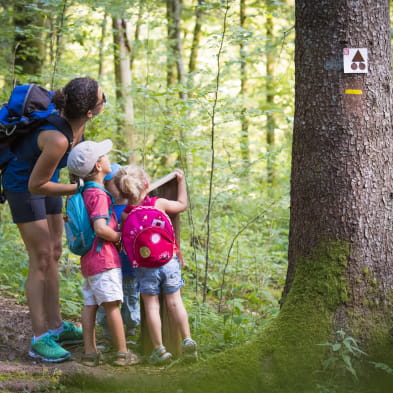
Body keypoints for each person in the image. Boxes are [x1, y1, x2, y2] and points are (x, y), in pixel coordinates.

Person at [1, 77, 105, 363]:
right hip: (24, 185)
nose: (103, 100)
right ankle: (38, 338)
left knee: (55, 253)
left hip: (48, 180)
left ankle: (56, 325)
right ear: (89, 111)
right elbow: (36, 185)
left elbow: (64, 169)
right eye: (101, 97)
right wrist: (78, 189)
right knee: (41, 256)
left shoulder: (78, 128)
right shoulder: (57, 137)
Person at [114, 164, 198, 365]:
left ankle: (159, 350)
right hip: (168, 260)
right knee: (175, 301)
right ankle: (187, 339)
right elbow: (182, 204)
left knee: (151, 306)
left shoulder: (125, 214)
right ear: (147, 184)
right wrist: (181, 181)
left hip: (145, 267)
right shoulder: (159, 203)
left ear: (124, 191)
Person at [67, 140, 138, 367]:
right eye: (105, 156)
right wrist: (120, 238)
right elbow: (99, 227)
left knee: (90, 304)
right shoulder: (99, 195)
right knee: (112, 305)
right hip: (104, 259)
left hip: (89, 259)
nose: (108, 158)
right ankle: (122, 353)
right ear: (98, 166)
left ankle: (90, 352)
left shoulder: (85, 192)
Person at [96, 163, 141, 347]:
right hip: (109, 264)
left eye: (120, 182)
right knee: (107, 301)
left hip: (130, 265)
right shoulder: (104, 207)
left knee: (130, 300)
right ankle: (108, 335)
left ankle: (129, 333)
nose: (119, 187)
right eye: (113, 183)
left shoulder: (135, 207)